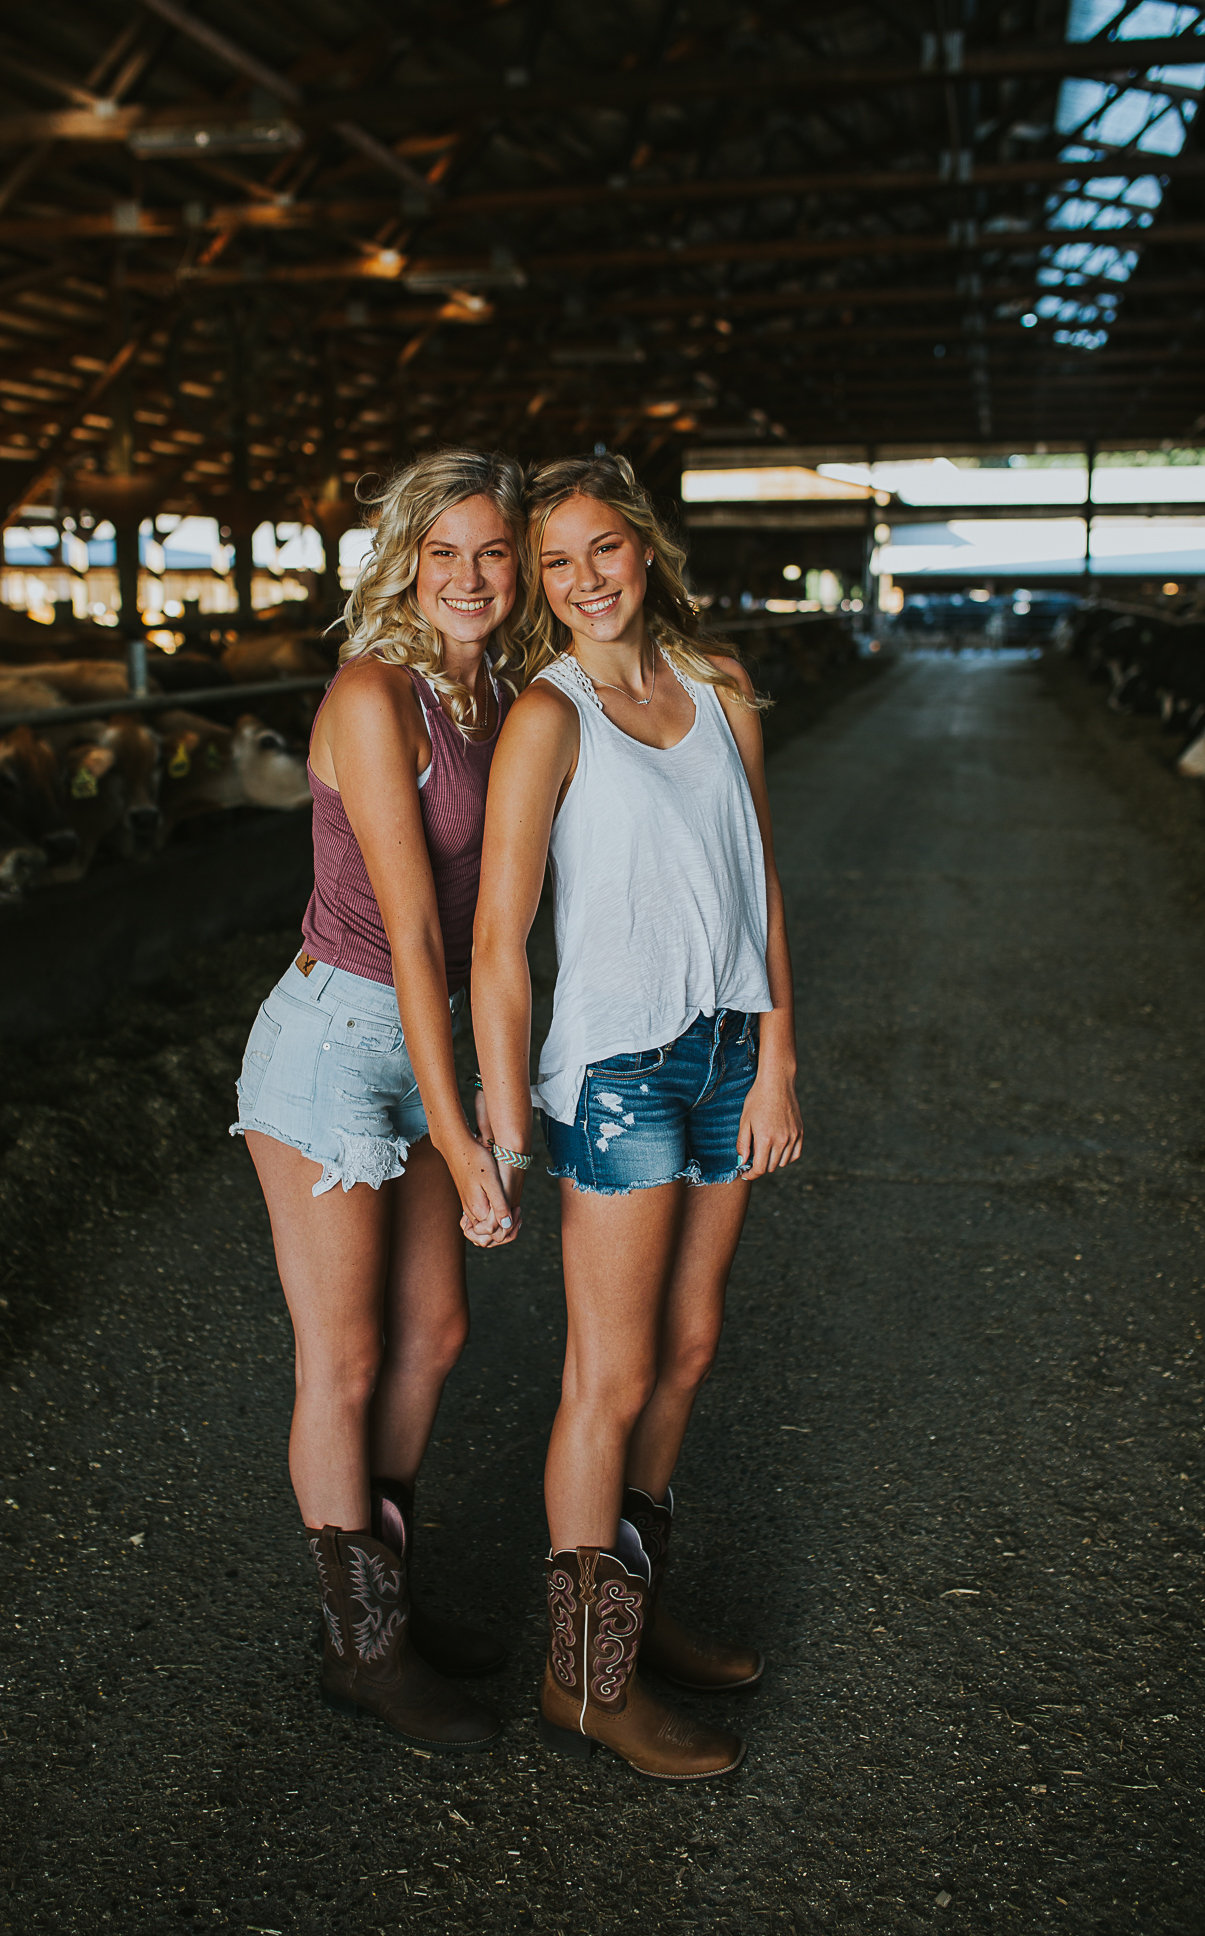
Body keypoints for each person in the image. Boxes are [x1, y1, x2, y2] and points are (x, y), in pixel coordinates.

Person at [471, 452, 803, 1782]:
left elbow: (761, 881)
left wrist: (779, 1056)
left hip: (728, 1054)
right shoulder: (548, 715)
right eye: (552, 564)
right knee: (606, 1374)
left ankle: (636, 1607)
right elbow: (499, 940)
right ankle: (584, 1680)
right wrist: (501, 1122)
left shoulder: (721, 688)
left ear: (642, 548)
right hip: (616, 1073)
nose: (581, 581)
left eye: (599, 549)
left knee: (691, 1340)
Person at [231, 449, 522, 1753]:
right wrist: (467, 1139)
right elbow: (411, 929)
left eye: (492, 553)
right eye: (443, 550)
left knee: (437, 1336)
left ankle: (382, 1598)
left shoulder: (498, 696)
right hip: (338, 1038)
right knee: (343, 1359)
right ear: (406, 557)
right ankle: (363, 1649)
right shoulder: (371, 694)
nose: (467, 576)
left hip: (423, 1030)